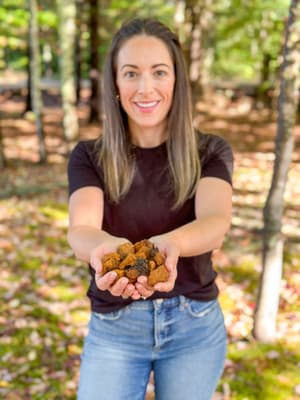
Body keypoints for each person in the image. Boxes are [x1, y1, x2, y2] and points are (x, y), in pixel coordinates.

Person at [67, 17, 233, 400]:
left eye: (159, 72)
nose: (145, 88)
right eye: (130, 73)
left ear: (176, 80)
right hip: (115, 328)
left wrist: (168, 246)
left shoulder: (211, 151)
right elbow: (81, 230)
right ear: (115, 84)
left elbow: (214, 222)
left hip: (193, 326)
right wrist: (105, 252)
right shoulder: (89, 157)